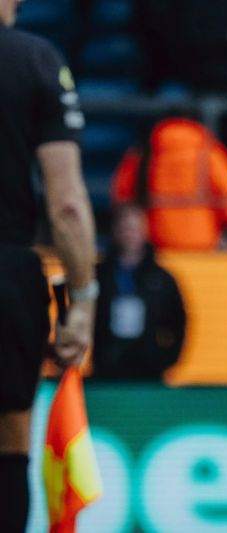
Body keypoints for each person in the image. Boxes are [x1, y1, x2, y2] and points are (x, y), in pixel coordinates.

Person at [0, 1, 97, 531]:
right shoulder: (35, 60)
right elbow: (66, 203)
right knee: (10, 444)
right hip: (7, 270)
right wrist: (82, 301)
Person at [110, 115, 227, 251]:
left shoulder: (143, 152)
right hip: (203, 245)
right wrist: (219, 223)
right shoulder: (210, 152)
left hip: (157, 246)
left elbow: (122, 199)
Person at [92, 203, 186, 380]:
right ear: (115, 230)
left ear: (146, 231)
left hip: (148, 371)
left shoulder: (162, 279)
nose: (130, 234)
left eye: (135, 228)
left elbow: (179, 322)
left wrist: (166, 359)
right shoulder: (99, 275)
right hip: (107, 369)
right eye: (125, 228)